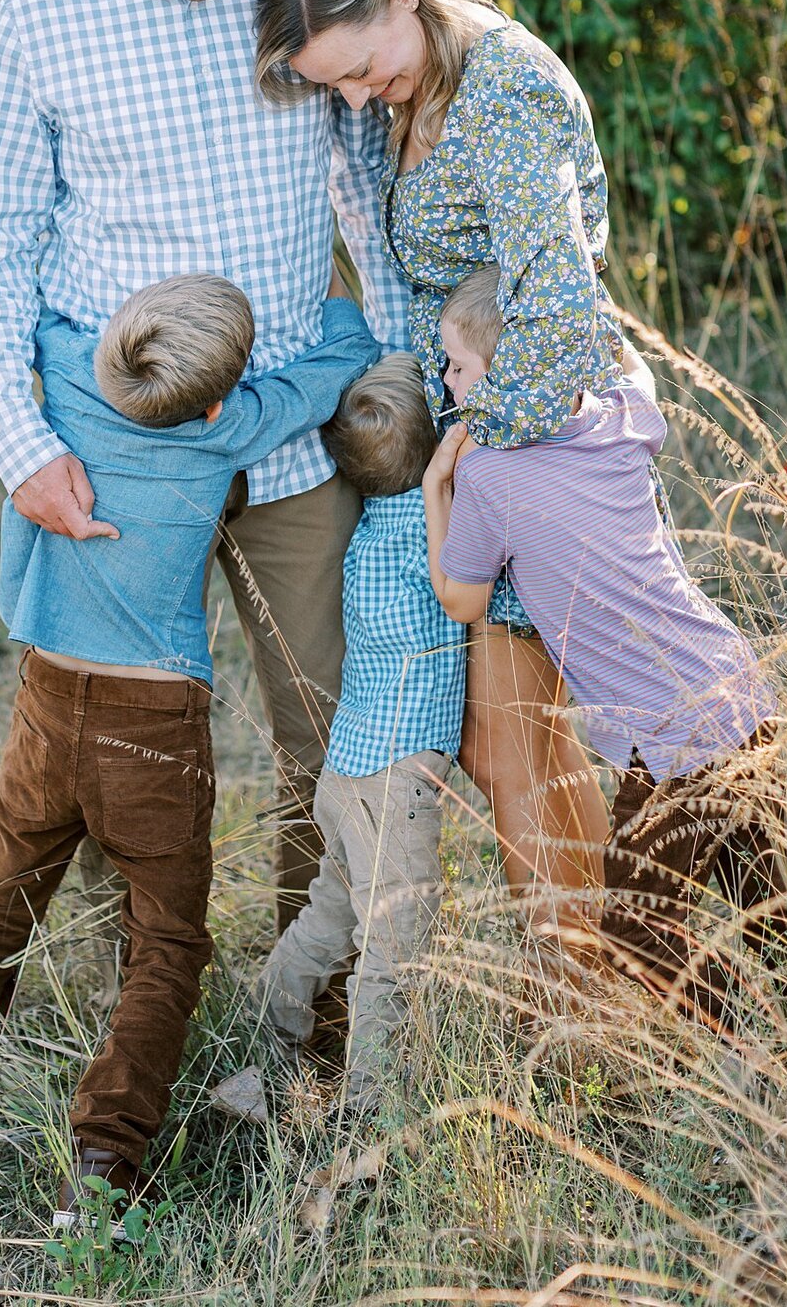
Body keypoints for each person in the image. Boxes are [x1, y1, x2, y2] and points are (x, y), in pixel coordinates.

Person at [0, 0, 407, 941]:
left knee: (332, 723)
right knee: (122, 739)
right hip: (121, 443)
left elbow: (376, 183)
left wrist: (410, 370)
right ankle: (140, 1014)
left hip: (294, 428)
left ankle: (314, 1023)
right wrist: (21, 440)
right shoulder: (41, 9)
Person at [0, 273, 379, 1235]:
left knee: (2, 899)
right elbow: (335, 367)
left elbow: (21, 315)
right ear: (214, 397)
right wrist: (332, 304)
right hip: (152, 727)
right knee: (167, 941)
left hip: (47, 704)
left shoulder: (73, 371)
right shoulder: (226, 425)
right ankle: (107, 1157)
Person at [254, 0, 619, 927]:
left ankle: (586, 1007)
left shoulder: (504, 92)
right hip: (461, 457)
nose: (363, 96)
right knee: (498, 742)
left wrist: (470, 471)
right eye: (341, 86)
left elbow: (558, 313)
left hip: (526, 447)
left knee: (516, 744)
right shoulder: (405, 97)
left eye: (366, 68)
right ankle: (588, 981)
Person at [423, 266, 787, 1025]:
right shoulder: (619, 418)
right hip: (734, 686)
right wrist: (589, 320)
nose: (445, 380)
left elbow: (463, 598)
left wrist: (434, 486)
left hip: (676, 731)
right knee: (765, 894)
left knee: (637, 937)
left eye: (456, 365)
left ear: (508, 375)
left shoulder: (487, 476)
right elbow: (635, 369)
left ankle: (757, 1057)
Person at [251, 354, 466, 1107]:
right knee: (393, 942)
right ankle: (376, 1098)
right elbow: (466, 595)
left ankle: (269, 1039)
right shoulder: (432, 537)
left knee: (328, 916)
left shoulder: (366, 537)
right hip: (393, 780)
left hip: (347, 771)